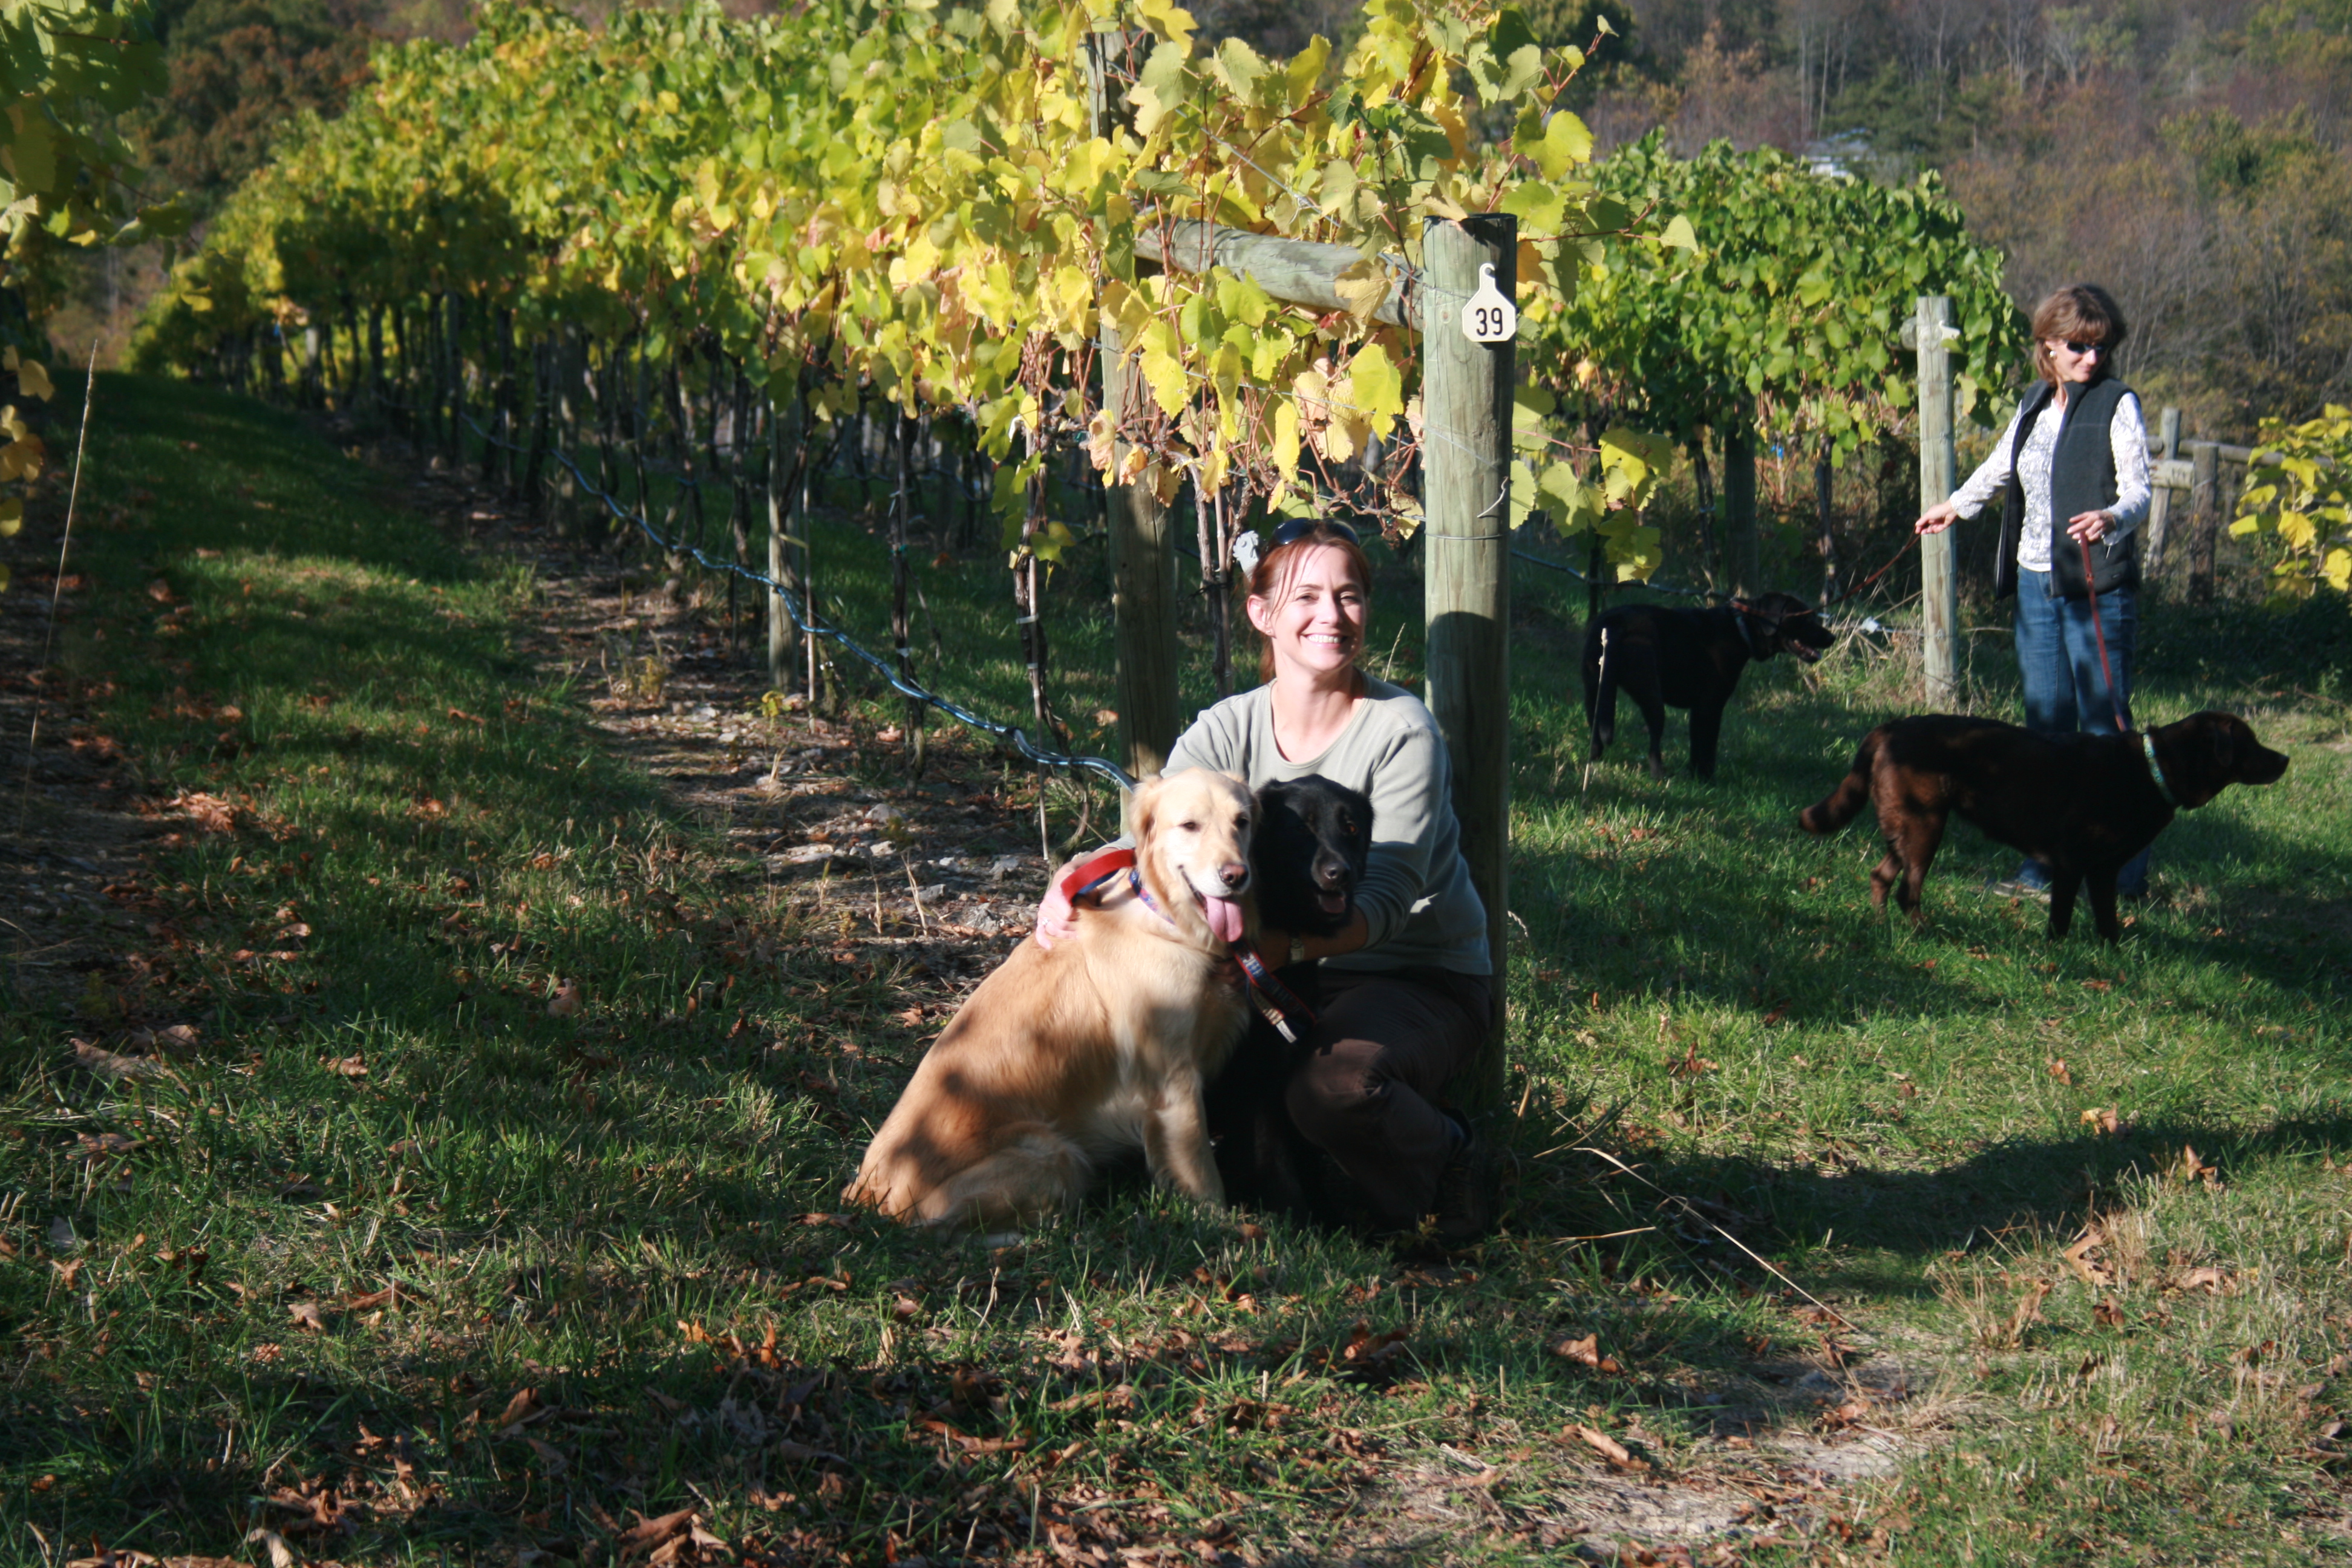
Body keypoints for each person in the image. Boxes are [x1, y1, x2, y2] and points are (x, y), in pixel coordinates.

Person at [1034, 518, 1498, 1241]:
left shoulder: (1401, 730)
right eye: (1306, 596)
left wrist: (1280, 952)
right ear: (1261, 613)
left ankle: (1452, 1163)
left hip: (1410, 975)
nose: (1331, 615)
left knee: (1333, 1086)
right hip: (1273, 973)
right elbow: (1152, 832)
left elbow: (1388, 899)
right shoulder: (1228, 728)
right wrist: (1074, 875)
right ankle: (1288, 1192)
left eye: (1348, 596)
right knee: (1183, 1072)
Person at [1915, 283, 2155, 899]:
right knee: (2046, 735)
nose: (2092, 359)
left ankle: (2122, 874)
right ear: (2048, 344)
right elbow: (2002, 465)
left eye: (2101, 347)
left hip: (2096, 588)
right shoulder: (2033, 402)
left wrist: (2111, 518)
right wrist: (1955, 507)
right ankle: (2044, 870)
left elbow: (2139, 491)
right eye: (2079, 347)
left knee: (2105, 732)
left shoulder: (2117, 404)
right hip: (2035, 584)